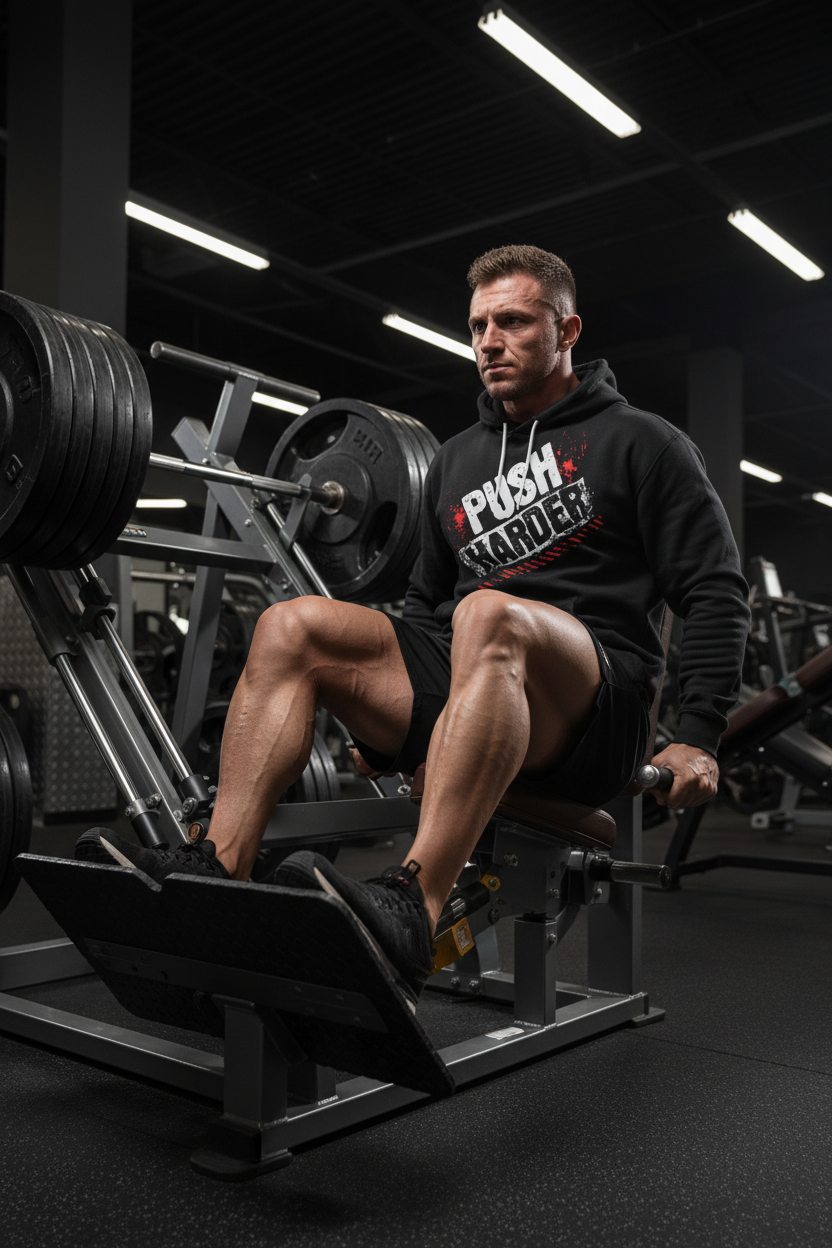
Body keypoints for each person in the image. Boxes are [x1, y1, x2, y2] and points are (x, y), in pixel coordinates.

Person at [76, 244, 750, 1006]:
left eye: (515, 322)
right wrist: (385, 714)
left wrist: (699, 731)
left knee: (487, 613)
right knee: (293, 625)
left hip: (595, 713)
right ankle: (215, 867)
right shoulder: (458, 459)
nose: (489, 341)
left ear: (568, 331)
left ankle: (413, 908)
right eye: (478, 326)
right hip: (479, 672)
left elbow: (716, 591)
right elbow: (426, 610)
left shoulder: (643, 442)